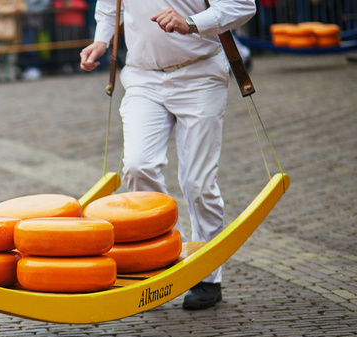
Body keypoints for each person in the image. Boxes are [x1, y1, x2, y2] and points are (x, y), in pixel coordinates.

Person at [80, 1, 256, 310]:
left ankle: (207, 275)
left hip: (200, 74)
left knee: (198, 184)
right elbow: (109, 6)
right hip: (143, 77)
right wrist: (101, 39)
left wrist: (191, 22)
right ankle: (163, 254)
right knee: (137, 166)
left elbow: (242, 6)